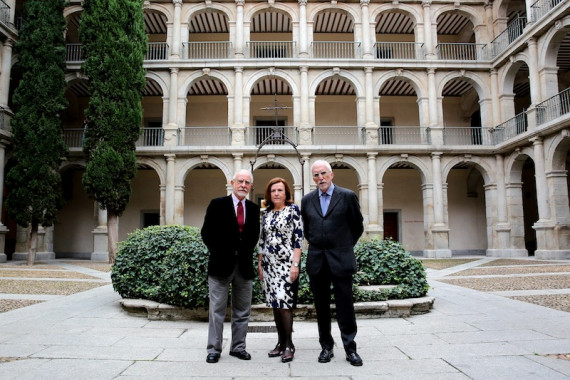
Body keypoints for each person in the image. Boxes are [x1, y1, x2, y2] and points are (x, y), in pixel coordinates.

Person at [301, 160, 364, 367]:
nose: (320, 178)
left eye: (323, 174)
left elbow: (357, 227)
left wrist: (344, 246)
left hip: (341, 259)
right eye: (316, 175)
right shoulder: (307, 200)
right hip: (317, 260)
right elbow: (308, 228)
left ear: (331, 174)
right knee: (321, 307)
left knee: (345, 305)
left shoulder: (347, 196)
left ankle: (350, 348)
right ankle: (326, 347)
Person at [201, 169, 260, 364]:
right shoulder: (217, 204)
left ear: (251, 186)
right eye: (240, 181)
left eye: (247, 182)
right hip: (220, 265)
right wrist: (221, 251)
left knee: (242, 310)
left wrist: (243, 252)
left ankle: (238, 347)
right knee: (216, 310)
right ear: (232, 182)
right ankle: (214, 349)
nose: (243, 185)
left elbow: (254, 236)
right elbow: (206, 233)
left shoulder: (253, 208)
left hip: (244, 267)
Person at [258, 178, 303, 363]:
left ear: (286, 194)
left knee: (285, 305)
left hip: (286, 264)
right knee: (275, 306)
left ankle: (289, 345)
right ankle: (280, 342)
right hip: (269, 265)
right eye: (273, 190)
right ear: (269, 194)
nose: (276, 193)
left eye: (280, 190)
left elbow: (298, 239)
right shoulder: (265, 213)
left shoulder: (293, 210)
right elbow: (262, 240)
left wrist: (295, 264)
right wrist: (260, 264)